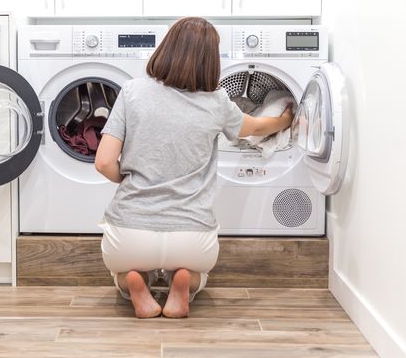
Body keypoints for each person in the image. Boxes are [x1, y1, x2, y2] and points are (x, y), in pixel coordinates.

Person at [94, 17, 293, 319]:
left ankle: (133, 283)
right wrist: (285, 119)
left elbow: (103, 161)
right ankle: (184, 282)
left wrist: (128, 178)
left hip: (130, 232)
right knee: (198, 272)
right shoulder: (217, 102)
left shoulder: (132, 91)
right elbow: (255, 128)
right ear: (210, 61)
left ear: (166, 48)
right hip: (191, 236)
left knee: (125, 269)